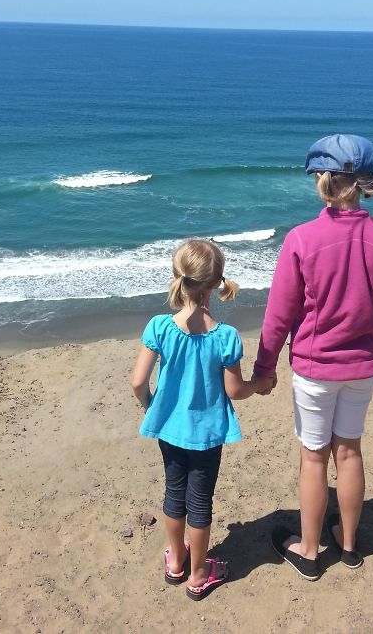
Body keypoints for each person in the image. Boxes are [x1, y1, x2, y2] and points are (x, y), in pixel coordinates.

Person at [253, 134, 373, 580]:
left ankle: (310, 550)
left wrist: (263, 369)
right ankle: (351, 545)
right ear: (363, 183)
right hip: (363, 367)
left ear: (323, 180)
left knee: (314, 457)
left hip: (316, 370)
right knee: (350, 451)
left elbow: (279, 315)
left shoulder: (302, 239)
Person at [131, 239, 273, 600]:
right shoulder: (225, 337)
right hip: (208, 434)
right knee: (200, 501)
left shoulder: (160, 327)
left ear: (177, 277)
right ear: (215, 283)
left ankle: (176, 562)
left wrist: (152, 405)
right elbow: (234, 390)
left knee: (174, 493)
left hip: (170, 430)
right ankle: (198, 573)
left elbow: (137, 381)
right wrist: (259, 385)